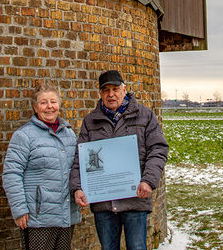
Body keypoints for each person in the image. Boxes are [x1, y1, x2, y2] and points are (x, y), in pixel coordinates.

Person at [69, 70, 169, 250]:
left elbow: (158, 149)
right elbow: (80, 157)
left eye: (115, 89)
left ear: (124, 89)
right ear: (100, 94)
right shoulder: (91, 121)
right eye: (106, 90)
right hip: (104, 203)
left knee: (137, 247)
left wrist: (148, 181)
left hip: (134, 198)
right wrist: (77, 188)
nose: (111, 94)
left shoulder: (145, 116)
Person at [2, 82, 81, 250]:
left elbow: (76, 169)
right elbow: (11, 174)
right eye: (43, 102)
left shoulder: (69, 134)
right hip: (38, 217)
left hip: (66, 214)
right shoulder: (23, 136)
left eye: (53, 101)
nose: (49, 107)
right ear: (35, 107)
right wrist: (19, 209)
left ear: (59, 105)